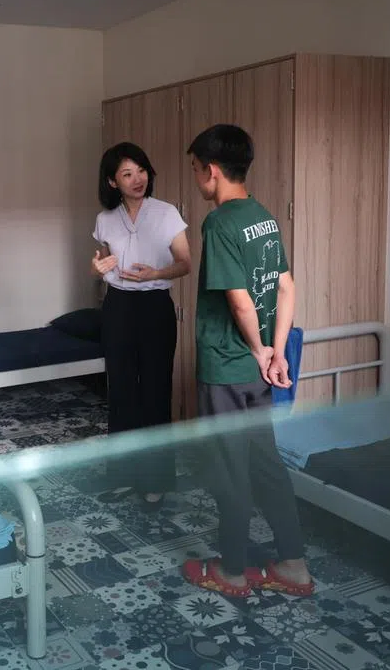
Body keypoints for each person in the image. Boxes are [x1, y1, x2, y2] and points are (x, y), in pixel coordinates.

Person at [182, 124, 314, 598]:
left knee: (229, 469)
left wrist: (258, 349)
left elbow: (239, 301)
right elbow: (286, 287)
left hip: (226, 367)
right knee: (265, 463)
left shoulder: (219, 223)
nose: (197, 178)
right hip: (258, 371)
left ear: (212, 171)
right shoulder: (265, 217)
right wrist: (275, 352)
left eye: (196, 169)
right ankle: (293, 564)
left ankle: (233, 570)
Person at [90, 142, 191, 506]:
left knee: (155, 391)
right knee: (120, 392)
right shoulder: (105, 219)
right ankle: (122, 476)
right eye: (127, 174)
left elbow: (185, 263)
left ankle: (155, 480)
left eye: (142, 171)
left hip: (154, 306)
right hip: (117, 306)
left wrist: (156, 273)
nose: (138, 179)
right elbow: (104, 263)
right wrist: (97, 269)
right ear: (112, 181)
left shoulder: (166, 213)